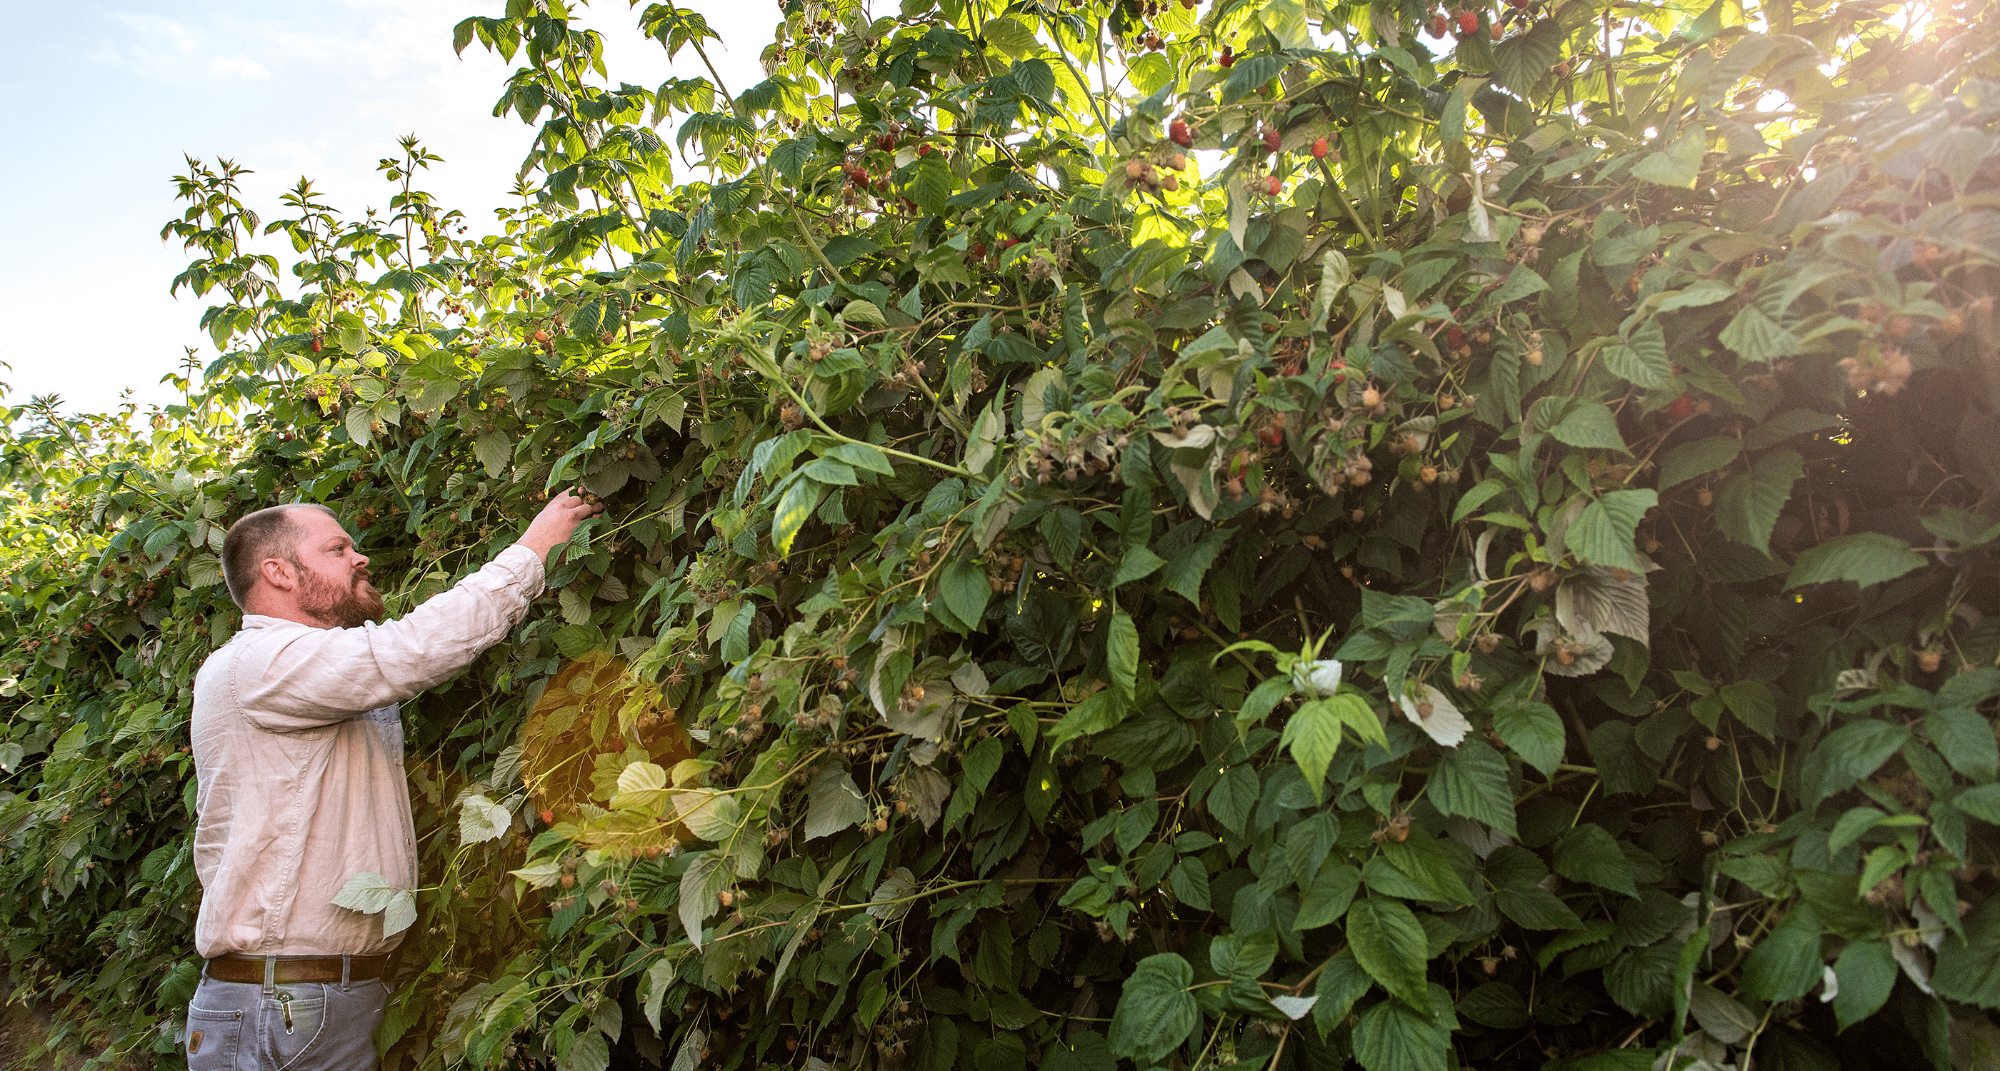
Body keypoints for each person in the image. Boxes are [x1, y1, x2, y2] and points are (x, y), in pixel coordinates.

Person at [180, 491, 601, 1071]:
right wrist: (533, 551)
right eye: (337, 548)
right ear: (277, 573)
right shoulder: (260, 662)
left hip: (315, 1000)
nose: (361, 558)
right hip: (282, 1006)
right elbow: (407, 651)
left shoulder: (304, 667)